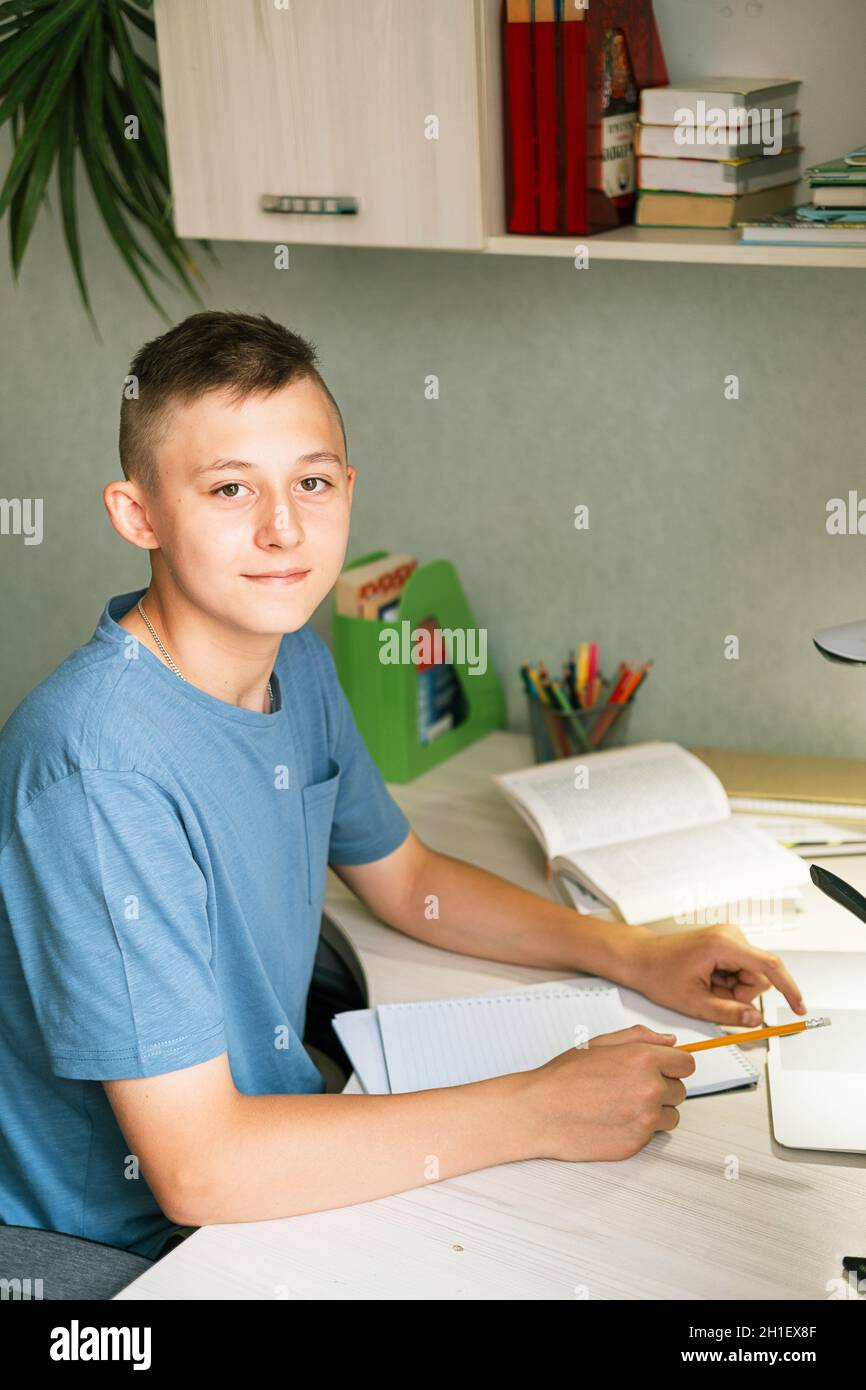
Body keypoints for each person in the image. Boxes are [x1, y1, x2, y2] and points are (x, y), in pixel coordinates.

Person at [0, 311, 806, 1262]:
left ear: (347, 488)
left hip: (267, 1157)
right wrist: (537, 1108)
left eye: (311, 482)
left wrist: (628, 952)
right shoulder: (97, 768)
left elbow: (407, 878)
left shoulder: (292, 658)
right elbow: (200, 1168)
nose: (282, 528)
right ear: (139, 515)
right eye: (228, 489)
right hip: (125, 1245)